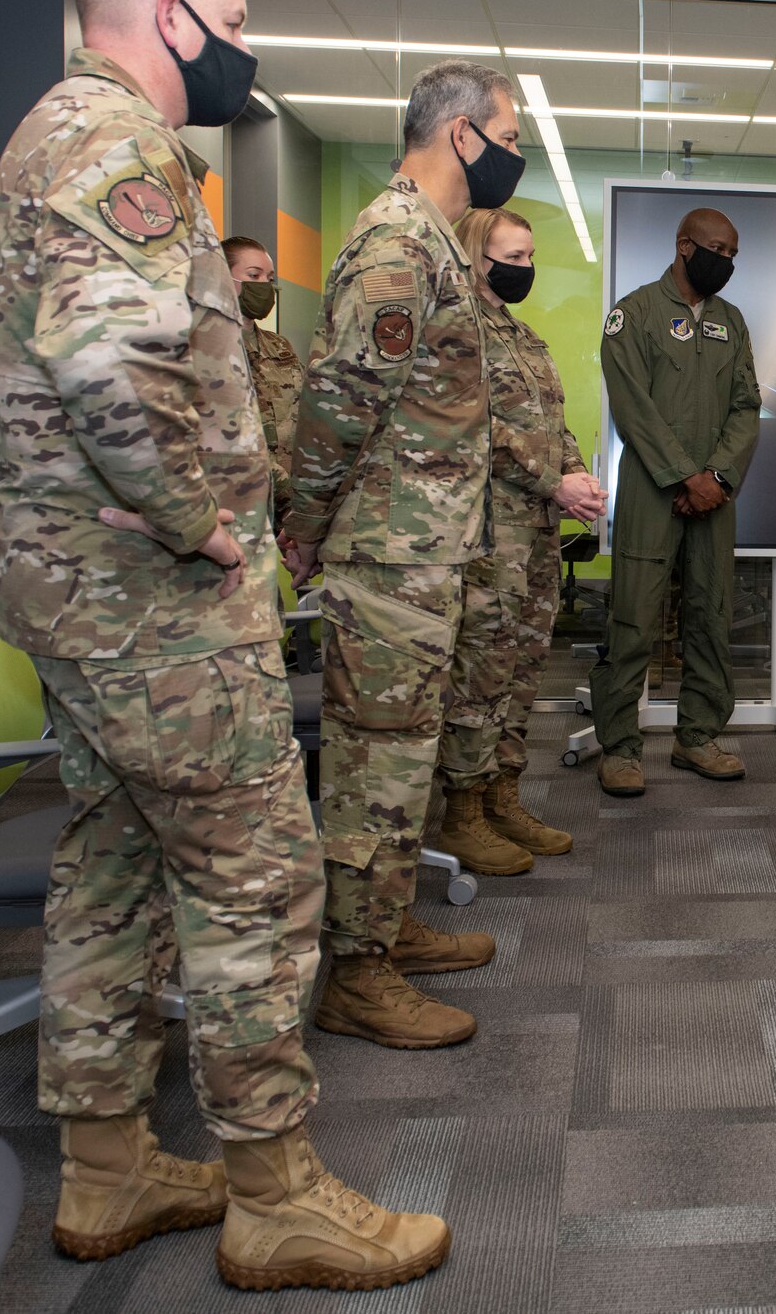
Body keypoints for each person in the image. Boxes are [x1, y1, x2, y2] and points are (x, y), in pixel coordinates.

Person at [0, 0, 445, 1291]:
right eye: (236, 23)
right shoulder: (113, 140)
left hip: (90, 610)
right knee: (256, 880)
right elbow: (107, 363)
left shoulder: (51, 133)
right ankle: (274, 1191)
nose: (247, 48)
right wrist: (204, 522)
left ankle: (109, 1169)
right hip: (154, 608)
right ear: (172, 20)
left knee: (114, 871)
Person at [279, 59, 519, 1049]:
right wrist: (301, 527)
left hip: (420, 549)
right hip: (384, 555)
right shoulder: (396, 241)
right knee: (373, 767)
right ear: (462, 134)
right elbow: (341, 400)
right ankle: (356, 974)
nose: (514, 152)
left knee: (402, 756)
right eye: (507, 133)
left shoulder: (431, 243)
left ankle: (384, 928)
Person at [439, 205, 606, 869]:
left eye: (530, 257)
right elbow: (471, 424)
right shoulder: (454, 331)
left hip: (532, 534)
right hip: (484, 534)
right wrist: (551, 480)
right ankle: (462, 812)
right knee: (480, 671)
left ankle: (503, 796)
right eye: (511, 258)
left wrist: (575, 471)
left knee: (522, 668)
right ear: (475, 256)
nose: (525, 269)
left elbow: (550, 420)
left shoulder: (523, 337)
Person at [588, 208, 761, 797]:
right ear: (684, 245)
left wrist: (716, 477)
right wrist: (685, 476)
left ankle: (698, 737)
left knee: (711, 616)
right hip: (651, 488)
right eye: (718, 249)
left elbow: (746, 407)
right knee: (634, 618)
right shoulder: (632, 314)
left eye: (735, 254)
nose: (726, 261)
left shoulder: (731, 322)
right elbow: (631, 406)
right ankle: (619, 746)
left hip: (715, 496)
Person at [222, 236, 302, 520]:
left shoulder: (279, 347)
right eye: (253, 275)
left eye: (269, 278)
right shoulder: (205, 349)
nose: (264, 286)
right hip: (232, 503)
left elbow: (301, 419)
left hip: (283, 509)